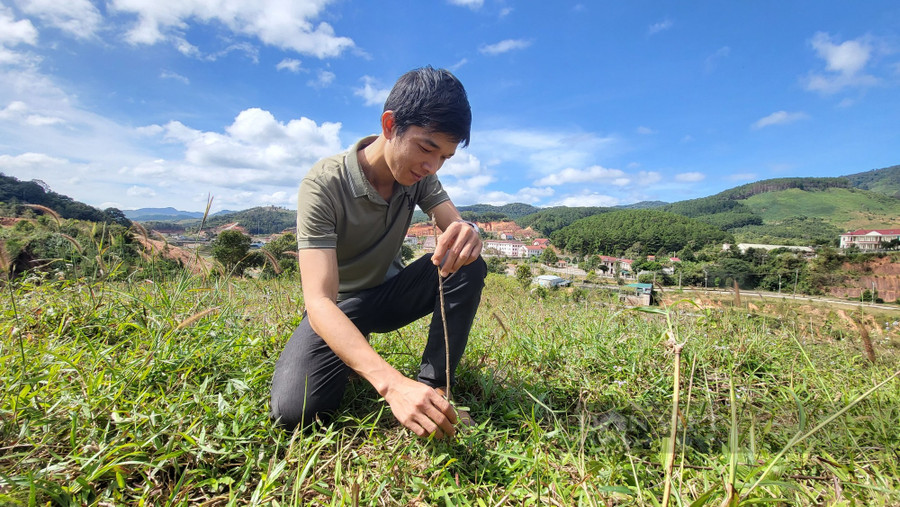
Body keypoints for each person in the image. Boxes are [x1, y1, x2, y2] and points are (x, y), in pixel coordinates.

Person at [269, 66, 486, 439]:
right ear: (390, 125)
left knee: (467, 262)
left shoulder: (420, 176)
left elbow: (455, 228)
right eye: (426, 148)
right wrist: (392, 384)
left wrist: (469, 232)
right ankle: (355, 355)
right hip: (339, 309)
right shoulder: (324, 184)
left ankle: (435, 388)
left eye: (445, 158)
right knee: (294, 411)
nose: (431, 166)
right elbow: (319, 302)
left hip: (388, 297)